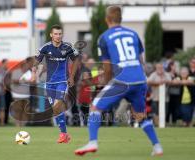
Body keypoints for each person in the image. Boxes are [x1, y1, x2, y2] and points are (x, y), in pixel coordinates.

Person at [75, 6, 163, 156]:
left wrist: (106, 82)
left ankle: (92, 142)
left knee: (95, 107)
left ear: (107, 19)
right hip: (140, 80)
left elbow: (108, 67)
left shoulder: (104, 37)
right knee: (140, 116)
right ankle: (157, 146)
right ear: (120, 18)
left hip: (122, 80)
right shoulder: (133, 34)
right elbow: (141, 60)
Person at [32, 24, 80, 143]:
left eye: (60, 34)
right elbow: (36, 61)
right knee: (56, 109)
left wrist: (72, 76)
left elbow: (76, 60)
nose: (58, 36)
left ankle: (63, 135)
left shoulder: (67, 47)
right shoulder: (45, 48)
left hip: (62, 82)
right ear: (51, 35)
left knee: (57, 105)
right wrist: (34, 73)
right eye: (56, 34)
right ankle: (64, 134)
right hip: (49, 83)